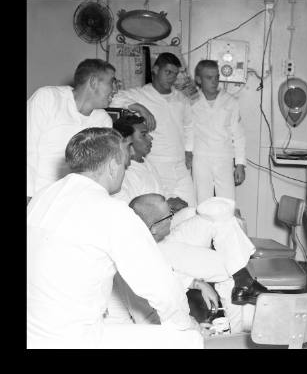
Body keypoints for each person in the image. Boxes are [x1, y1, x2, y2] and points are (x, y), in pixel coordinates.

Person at [27, 127, 203, 349]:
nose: (125, 168)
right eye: (124, 163)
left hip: (35, 335)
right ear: (112, 166)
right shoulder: (111, 211)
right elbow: (162, 287)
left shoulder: (41, 198)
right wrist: (185, 324)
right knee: (189, 337)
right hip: (73, 339)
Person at [108, 195, 269, 333]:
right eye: (168, 216)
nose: (172, 217)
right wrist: (196, 330)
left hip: (166, 244)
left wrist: (197, 283)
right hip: (164, 253)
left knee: (218, 214)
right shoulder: (134, 263)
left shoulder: (147, 235)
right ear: (154, 228)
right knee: (227, 268)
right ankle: (235, 332)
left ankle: (243, 279)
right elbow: (154, 317)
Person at [109, 52, 196, 206]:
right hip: (157, 163)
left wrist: (189, 150)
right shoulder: (141, 94)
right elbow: (113, 98)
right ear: (155, 70)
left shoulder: (182, 99)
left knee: (190, 209)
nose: (172, 78)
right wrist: (140, 107)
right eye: (168, 72)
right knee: (162, 212)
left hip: (180, 164)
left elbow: (189, 125)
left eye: (175, 74)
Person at [191, 60, 246, 204]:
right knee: (202, 203)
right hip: (200, 158)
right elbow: (187, 132)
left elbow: (239, 135)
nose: (214, 82)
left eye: (216, 77)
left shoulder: (230, 102)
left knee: (227, 202)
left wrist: (240, 164)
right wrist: (187, 154)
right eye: (209, 78)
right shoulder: (191, 101)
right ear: (198, 79)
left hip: (224, 157)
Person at [112, 114, 187, 215]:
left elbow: (160, 191)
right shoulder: (125, 171)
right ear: (127, 140)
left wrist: (172, 200)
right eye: (143, 135)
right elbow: (131, 209)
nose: (150, 138)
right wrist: (167, 205)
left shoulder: (146, 162)